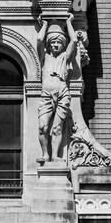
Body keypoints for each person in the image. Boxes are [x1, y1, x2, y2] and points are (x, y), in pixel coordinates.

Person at [36, 15, 81, 162]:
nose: (55, 45)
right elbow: (39, 40)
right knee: (43, 127)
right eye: (53, 42)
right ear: (49, 44)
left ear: (62, 44)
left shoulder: (64, 58)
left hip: (62, 94)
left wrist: (69, 22)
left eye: (59, 42)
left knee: (57, 128)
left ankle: (55, 155)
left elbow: (74, 40)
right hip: (46, 95)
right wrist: (44, 24)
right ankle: (45, 154)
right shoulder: (44, 57)